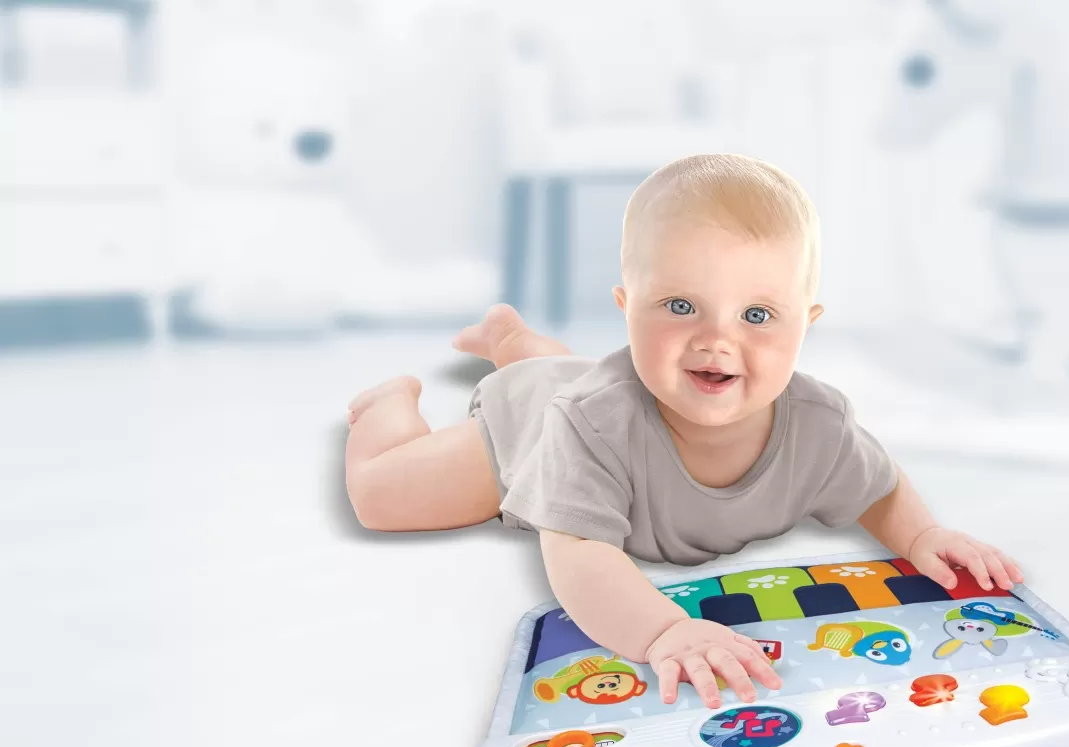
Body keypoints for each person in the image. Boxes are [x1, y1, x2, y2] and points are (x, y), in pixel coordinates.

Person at [344, 153, 1023, 710]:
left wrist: (923, 536)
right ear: (627, 307)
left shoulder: (819, 424)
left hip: (576, 379)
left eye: (757, 316)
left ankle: (514, 339)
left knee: (559, 370)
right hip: (525, 431)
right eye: (679, 305)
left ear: (806, 324)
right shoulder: (589, 426)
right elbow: (579, 551)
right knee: (380, 497)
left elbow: (878, 488)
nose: (715, 340)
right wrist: (663, 631)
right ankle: (389, 404)